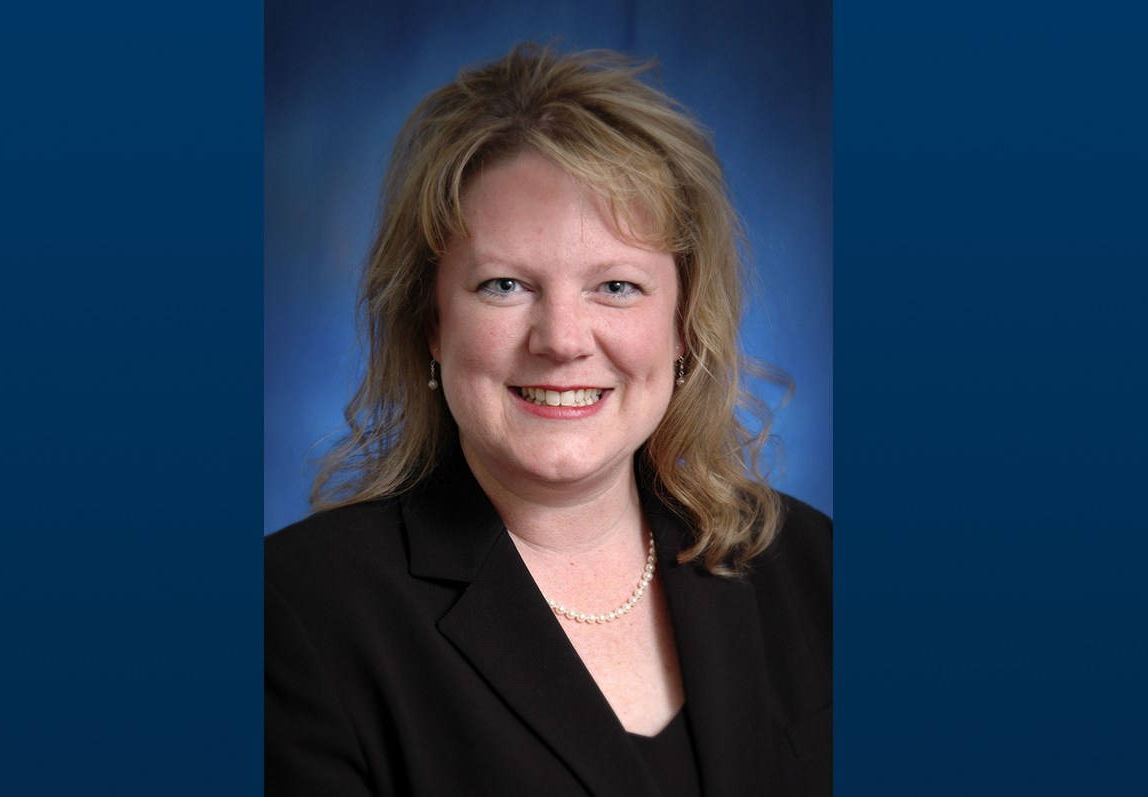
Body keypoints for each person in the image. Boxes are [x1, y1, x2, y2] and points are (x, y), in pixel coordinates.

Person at [265, 42, 831, 796]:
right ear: (433, 324)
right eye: (503, 284)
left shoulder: (816, 566)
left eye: (617, 286)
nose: (562, 339)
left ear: (683, 325)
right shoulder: (298, 611)